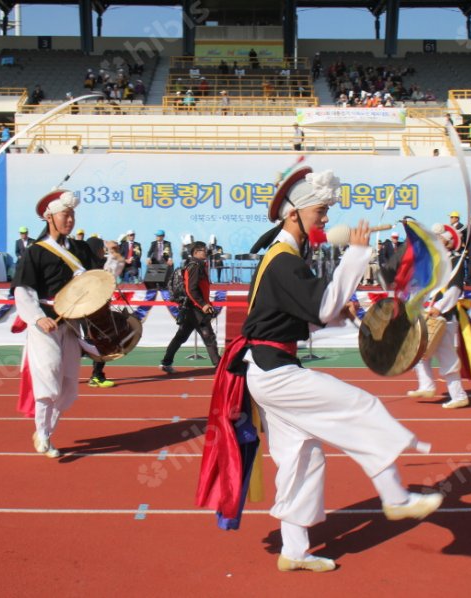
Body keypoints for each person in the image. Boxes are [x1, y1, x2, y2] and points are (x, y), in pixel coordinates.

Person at [197, 167, 443, 573]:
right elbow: (323, 305)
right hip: (275, 372)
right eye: (321, 212)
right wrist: (358, 254)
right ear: (295, 215)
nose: (326, 220)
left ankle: (294, 550)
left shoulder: (285, 257)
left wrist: (331, 315)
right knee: (359, 408)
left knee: (302, 457)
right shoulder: (283, 261)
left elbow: (293, 317)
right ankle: (395, 496)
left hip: (269, 368)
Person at [12, 189, 96, 458]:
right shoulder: (35, 252)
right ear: (49, 217)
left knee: (68, 385)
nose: (70, 220)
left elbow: (98, 279)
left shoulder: (81, 249)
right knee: (48, 374)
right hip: (45, 323)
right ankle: (44, 434)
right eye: (65, 215)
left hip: (72, 325)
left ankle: (45, 431)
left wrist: (115, 263)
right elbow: (23, 290)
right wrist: (38, 317)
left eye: (72, 215)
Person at [408, 224, 471, 409]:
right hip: (427, 314)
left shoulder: (456, 260)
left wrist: (439, 308)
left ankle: (458, 396)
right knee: (417, 352)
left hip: (444, 316)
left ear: (448, 242)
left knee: (446, 356)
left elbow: (454, 290)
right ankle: (426, 385)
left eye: (439, 238)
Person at [160, 241, 221, 372]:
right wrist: (203, 304)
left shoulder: (198, 264)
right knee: (208, 336)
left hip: (191, 308)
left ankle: (166, 362)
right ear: (195, 253)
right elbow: (191, 289)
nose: (206, 252)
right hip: (195, 308)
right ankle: (219, 366)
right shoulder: (195, 266)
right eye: (203, 250)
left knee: (181, 336)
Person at [84, 235, 117, 389]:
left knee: (86, 344)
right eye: (100, 249)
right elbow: (110, 272)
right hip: (92, 311)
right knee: (100, 342)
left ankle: (96, 375)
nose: (101, 251)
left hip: (88, 311)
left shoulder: (86, 265)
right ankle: (97, 376)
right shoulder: (94, 267)